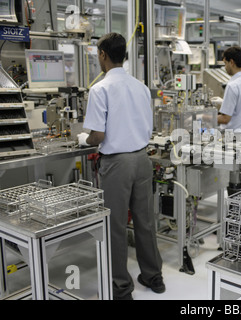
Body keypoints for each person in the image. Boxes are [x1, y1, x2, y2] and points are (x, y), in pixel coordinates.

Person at [77, 32, 164, 300]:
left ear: (103, 55)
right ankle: (153, 277)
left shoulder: (100, 89)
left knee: (115, 225)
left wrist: (84, 139)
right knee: (145, 221)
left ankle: (121, 287)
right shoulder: (140, 86)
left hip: (117, 164)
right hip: (142, 159)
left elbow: (98, 136)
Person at [214, 46, 241, 132]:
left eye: (225, 63)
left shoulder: (233, 85)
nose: (225, 67)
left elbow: (225, 119)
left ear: (231, 62)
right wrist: (224, 102)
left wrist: (203, 117)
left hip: (233, 138)